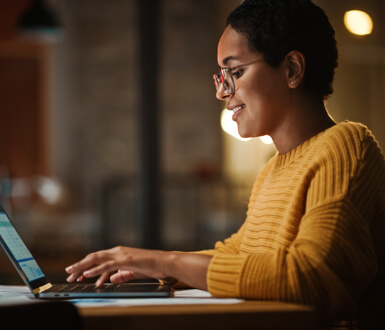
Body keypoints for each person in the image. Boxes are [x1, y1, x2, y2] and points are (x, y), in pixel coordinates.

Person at [65, 0, 385, 328]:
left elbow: (313, 276)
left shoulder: (347, 148)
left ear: (291, 69)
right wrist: (159, 266)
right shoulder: (273, 170)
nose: (222, 93)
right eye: (222, 75)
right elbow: (239, 256)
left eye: (235, 72)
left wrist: (170, 262)